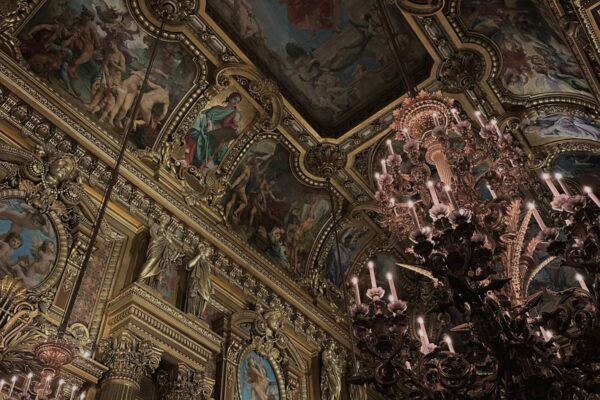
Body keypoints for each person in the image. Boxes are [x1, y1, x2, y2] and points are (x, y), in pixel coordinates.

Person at [184, 92, 242, 172]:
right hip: (208, 124)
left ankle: (195, 158)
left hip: (217, 129)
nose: (235, 102)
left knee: (202, 125)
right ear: (230, 98)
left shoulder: (234, 113)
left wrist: (232, 125)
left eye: (237, 101)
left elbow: (232, 123)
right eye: (234, 99)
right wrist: (209, 123)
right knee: (201, 116)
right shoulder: (218, 107)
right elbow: (206, 113)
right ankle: (187, 146)